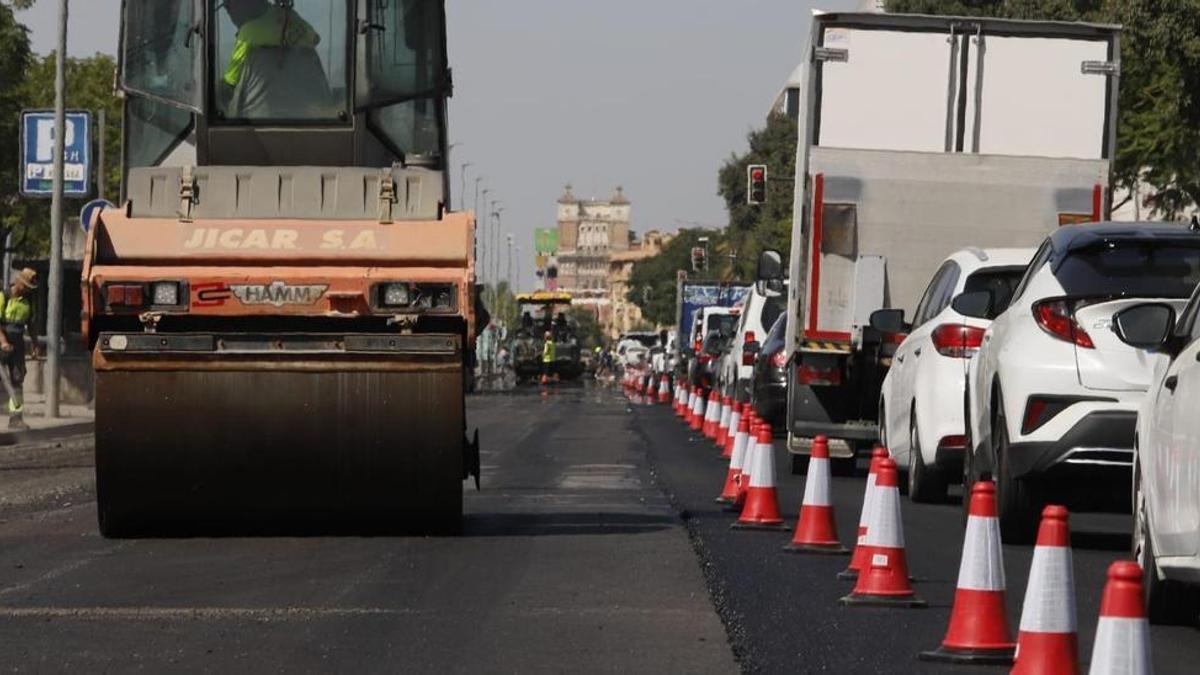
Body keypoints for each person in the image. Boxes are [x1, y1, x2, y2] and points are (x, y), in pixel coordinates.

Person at [219, 0, 323, 116]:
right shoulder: (291, 17)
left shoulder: (248, 33)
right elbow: (315, 39)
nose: (231, 15)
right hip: (309, 115)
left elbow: (230, 83)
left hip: (257, 120)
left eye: (229, 7)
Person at [0, 269, 40, 430]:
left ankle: (16, 419)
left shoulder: (28, 301)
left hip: (17, 343)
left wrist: (35, 344)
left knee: (17, 378)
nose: (27, 289)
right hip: (2, 340)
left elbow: (31, 325)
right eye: (26, 286)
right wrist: (3, 342)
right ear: (19, 282)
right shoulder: (4, 296)